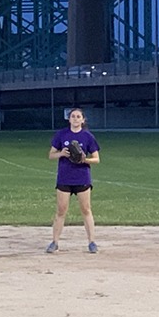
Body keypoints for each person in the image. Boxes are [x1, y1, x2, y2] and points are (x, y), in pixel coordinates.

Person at [47, 107, 100, 254]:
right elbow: (51, 155)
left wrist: (85, 159)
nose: (75, 119)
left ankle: (92, 242)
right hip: (64, 177)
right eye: (73, 116)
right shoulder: (62, 134)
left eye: (78, 117)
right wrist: (61, 153)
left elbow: (96, 159)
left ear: (83, 120)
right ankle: (55, 242)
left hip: (82, 177)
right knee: (61, 210)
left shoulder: (87, 136)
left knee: (86, 209)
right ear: (69, 119)